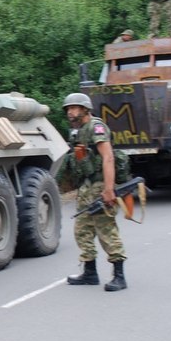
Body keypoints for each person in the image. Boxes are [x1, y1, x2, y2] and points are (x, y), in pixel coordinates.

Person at [56, 92, 127, 292]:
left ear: (85, 109)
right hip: (86, 187)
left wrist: (109, 189)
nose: (70, 112)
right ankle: (90, 273)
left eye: (74, 108)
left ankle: (119, 276)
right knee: (82, 230)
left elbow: (108, 157)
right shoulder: (78, 131)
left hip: (99, 185)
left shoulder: (96, 127)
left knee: (106, 229)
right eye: (68, 109)